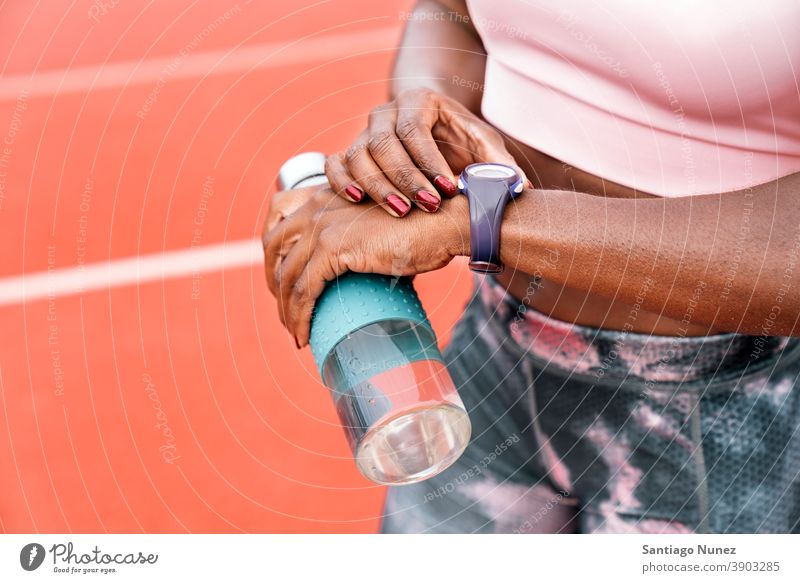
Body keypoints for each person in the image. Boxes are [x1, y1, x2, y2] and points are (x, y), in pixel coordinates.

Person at [263, 0, 800, 533]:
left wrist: (477, 222)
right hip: (495, 350)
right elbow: (449, 12)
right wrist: (415, 136)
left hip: (729, 413)